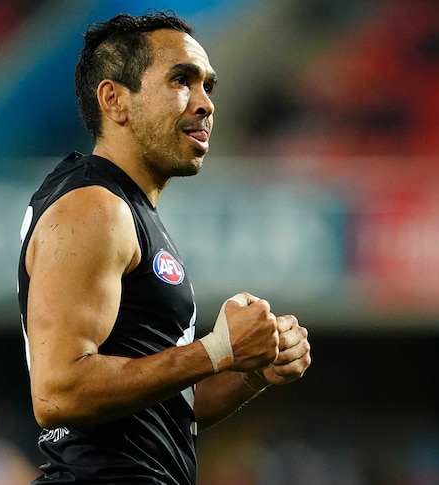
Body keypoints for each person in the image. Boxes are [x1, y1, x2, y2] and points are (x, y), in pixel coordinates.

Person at [17, 10, 311, 485]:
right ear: (115, 100)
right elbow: (58, 394)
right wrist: (217, 349)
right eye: (181, 80)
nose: (205, 104)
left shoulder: (127, 208)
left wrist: (252, 368)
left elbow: (170, 413)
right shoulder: (94, 207)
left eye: (207, 87)